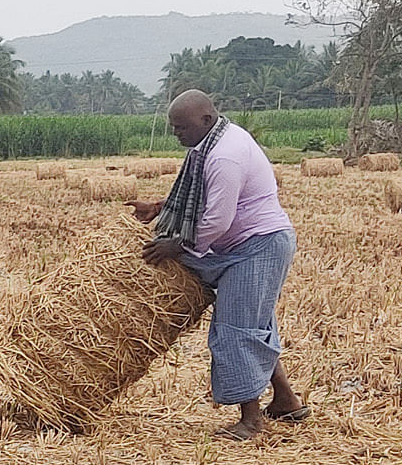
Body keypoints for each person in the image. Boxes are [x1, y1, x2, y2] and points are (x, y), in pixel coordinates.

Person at [128, 89, 307, 440]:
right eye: (172, 126)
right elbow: (210, 199)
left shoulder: (224, 156)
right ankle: (286, 400)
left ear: (206, 120)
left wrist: (176, 246)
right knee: (255, 322)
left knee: (235, 329)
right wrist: (161, 208)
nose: (175, 133)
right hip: (243, 243)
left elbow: (217, 220)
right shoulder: (215, 141)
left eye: (181, 127)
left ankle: (251, 421)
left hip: (257, 245)